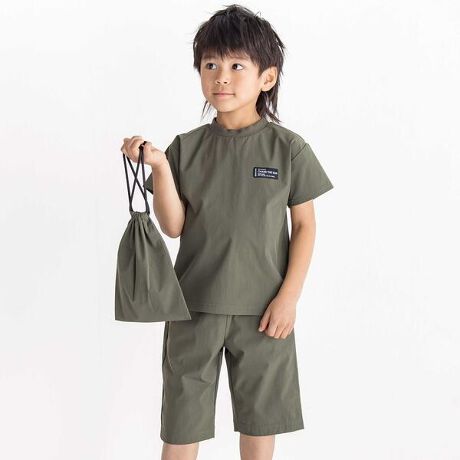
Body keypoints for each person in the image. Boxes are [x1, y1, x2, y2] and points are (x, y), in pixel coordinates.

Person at [120, 4, 334, 460]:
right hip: (192, 308)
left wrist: (288, 298)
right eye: (211, 65)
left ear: (267, 78)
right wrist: (159, 166)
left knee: (260, 424)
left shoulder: (288, 149)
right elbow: (173, 226)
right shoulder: (186, 148)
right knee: (181, 426)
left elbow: (305, 225)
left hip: (265, 312)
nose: (221, 77)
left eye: (237, 66)